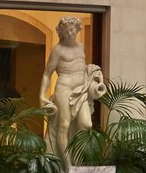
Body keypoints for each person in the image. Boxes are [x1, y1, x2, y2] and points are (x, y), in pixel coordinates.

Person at [43, 17, 105, 162]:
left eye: (72, 30)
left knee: (86, 124)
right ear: (62, 33)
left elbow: (82, 68)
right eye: (66, 31)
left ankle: (78, 161)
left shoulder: (81, 46)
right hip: (64, 88)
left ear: (77, 29)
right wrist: (41, 96)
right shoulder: (58, 50)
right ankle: (67, 164)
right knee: (64, 124)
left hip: (81, 90)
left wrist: (93, 73)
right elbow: (47, 74)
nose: (70, 33)